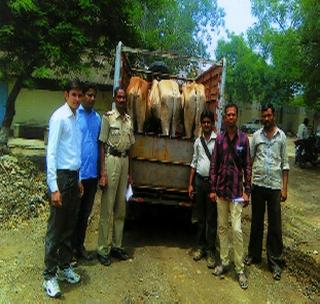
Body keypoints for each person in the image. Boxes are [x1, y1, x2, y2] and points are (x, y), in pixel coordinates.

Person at [43, 80, 84, 298]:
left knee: (69, 226)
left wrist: (78, 179)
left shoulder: (76, 118)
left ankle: (64, 266)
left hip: (73, 177)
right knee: (56, 228)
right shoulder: (59, 117)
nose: (77, 99)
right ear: (66, 94)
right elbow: (51, 153)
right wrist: (54, 188)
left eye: (79, 95)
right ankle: (49, 276)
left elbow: (73, 152)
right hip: (60, 178)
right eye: (74, 95)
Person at [244, 103, 289, 281]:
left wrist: (284, 188)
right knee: (256, 222)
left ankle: (275, 262)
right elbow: (250, 161)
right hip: (259, 185)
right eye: (264, 116)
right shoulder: (256, 136)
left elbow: (285, 165)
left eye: (269, 116)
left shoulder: (282, 137)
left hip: (274, 187)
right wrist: (247, 184)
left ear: (274, 116)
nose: (266, 119)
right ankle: (254, 255)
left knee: (275, 225)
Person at [209, 103, 251, 289]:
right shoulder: (219, 139)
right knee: (222, 228)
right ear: (224, 118)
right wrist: (212, 188)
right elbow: (214, 165)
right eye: (228, 115)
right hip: (221, 191)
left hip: (235, 192)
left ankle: (240, 268)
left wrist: (247, 191)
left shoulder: (244, 140)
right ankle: (224, 262)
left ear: (237, 117)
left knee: (236, 230)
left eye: (234, 114)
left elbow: (248, 166)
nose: (231, 117)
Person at [97, 87, 135, 266]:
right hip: (111, 160)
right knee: (107, 207)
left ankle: (117, 246)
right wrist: (102, 172)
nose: (121, 100)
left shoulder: (129, 121)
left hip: (125, 161)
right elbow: (102, 145)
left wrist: (130, 173)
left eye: (123, 97)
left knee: (121, 207)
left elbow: (131, 148)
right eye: (119, 97)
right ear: (114, 98)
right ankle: (103, 249)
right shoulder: (107, 117)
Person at [72, 83, 101, 261]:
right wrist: (77, 175)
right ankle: (68, 250)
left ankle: (79, 247)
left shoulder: (97, 118)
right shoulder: (75, 116)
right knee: (73, 213)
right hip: (78, 175)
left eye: (93, 96)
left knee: (85, 214)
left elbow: (99, 144)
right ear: (82, 96)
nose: (91, 98)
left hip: (92, 174)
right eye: (88, 95)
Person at [188, 109, 218, 269]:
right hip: (199, 181)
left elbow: (219, 165)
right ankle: (200, 248)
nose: (206, 125)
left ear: (212, 124)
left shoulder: (217, 140)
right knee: (200, 217)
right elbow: (194, 163)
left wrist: (216, 187)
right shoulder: (198, 142)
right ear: (201, 124)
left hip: (212, 184)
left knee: (211, 219)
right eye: (204, 122)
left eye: (209, 122)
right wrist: (190, 183)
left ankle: (211, 251)